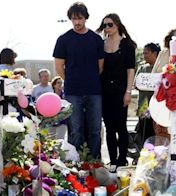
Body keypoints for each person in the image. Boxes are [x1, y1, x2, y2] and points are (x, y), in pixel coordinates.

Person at [53, 2, 104, 159]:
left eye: (80, 18)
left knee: (95, 128)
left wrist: (89, 79)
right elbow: (59, 66)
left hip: (94, 90)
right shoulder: (63, 39)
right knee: (75, 129)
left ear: (86, 18)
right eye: (74, 19)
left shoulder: (96, 39)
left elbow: (100, 66)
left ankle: (94, 162)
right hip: (73, 91)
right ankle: (75, 164)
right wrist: (72, 80)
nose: (77, 22)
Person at [96, 13, 136, 170]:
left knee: (121, 126)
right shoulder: (101, 44)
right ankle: (112, 160)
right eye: (104, 25)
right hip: (104, 91)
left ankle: (122, 159)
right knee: (109, 127)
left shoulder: (127, 44)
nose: (107, 28)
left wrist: (128, 91)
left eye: (110, 24)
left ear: (118, 25)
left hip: (121, 91)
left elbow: (130, 70)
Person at [133, 43, 161, 159]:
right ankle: (144, 157)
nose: (144, 55)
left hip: (158, 107)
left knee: (156, 133)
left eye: (146, 53)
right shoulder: (142, 68)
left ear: (155, 53)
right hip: (144, 107)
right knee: (143, 133)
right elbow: (136, 84)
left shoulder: (161, 68)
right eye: (143, 53)